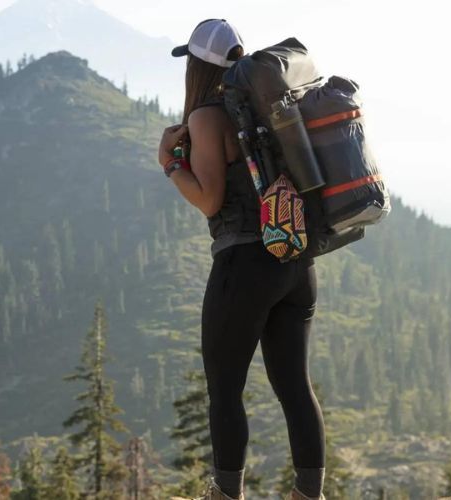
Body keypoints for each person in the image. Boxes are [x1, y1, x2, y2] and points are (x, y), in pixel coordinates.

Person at [159, 19, 327, 500]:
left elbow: (211, 199)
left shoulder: (207, 117)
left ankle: (227, 494)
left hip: (245, 265)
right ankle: (309, 494)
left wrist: (170, 162)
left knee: (226, 389)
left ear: (195, 65)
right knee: (295, 386)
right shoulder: (264, 104)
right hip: (296, 260)